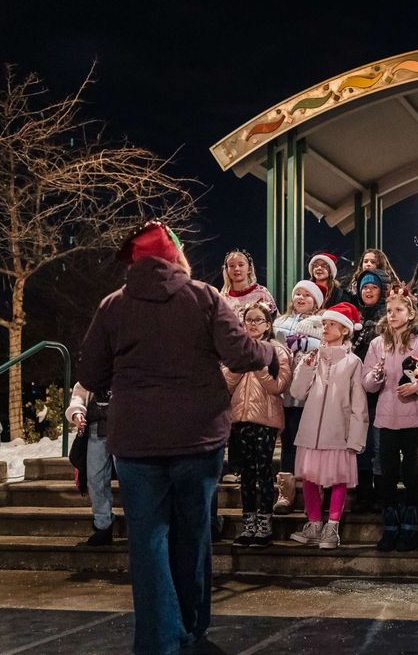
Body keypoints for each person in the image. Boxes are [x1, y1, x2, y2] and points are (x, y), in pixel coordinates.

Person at [77, 221, 278, 654]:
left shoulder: (113, 305)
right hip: (197, 439)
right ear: (175, 258)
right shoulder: (204, 297)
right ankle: (191, 625)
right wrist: (271, 351)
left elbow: (91, 373)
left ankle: (158, 638)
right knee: (193, 533)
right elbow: (241, 354)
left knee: (147, 541)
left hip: (137, 442)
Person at [362, 286, 418, 552]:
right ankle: (391, 524)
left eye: (398, 310)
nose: (392, 315)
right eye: (389, 310)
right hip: (386, 419)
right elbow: (366, 383)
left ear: (410, 313)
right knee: (387, 473)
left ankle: (412, 524)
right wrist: (375, 377)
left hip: (414, 418)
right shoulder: (377, 344)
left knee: (412, 473)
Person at [289, 302, 369, 550]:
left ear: (344, 330)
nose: (325, 328)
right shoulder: (313, 357)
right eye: (324, 324)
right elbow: (297, 392)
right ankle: (314, 523)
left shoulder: (353, 362)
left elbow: (359, 403)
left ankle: (332, 527)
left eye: (331, 324)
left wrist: (356, 437)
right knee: (309, 478)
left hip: (338, 431)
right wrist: (306, 366)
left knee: (338, 478)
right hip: (311, 431)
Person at [223, 302, 293, 548]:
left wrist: (259, 365)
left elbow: (279, 386)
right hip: (239, 419)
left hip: (265, 419)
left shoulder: (277, 350)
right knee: (245, 474)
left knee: (262, 472)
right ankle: (248, 523)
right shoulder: (237, 350)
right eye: (249, 320)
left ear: (268, 325)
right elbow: (225, 384)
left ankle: (264, 523)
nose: (252, 324)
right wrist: (241, 364)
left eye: (258, 320)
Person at [271, 279, 325, 514]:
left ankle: (314, 492)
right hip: (286, 394)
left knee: (312, 443)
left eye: (307, 295)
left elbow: (327, 346)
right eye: (298, 294)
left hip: (311, 395)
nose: (301, 298)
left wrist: (306, 343)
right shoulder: (280, 322)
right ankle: (286, 492)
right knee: (288, 441)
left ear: (316, 301)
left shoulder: (322, 322)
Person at [351, 268, 392, 512]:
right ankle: (363, 492)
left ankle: (381, 494)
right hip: (357, 392)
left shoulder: (386, 318)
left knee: (378, 443)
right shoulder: (353, 317)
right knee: (361, 443)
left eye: (373, 287)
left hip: (381, 392)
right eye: (364, 287)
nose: (368, 291)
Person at [65, 382, 115, 546]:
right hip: (96, 425)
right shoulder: (94, 369)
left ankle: (139, 526)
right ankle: (103, 525)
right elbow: (80, 391)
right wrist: (77, 413)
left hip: (124, 424)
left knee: (131, 477)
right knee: (95, 479)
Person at [221, 248, 277, 317]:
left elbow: (275, 320)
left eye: (241, 265)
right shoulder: (222, 299)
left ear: (249, 269)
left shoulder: (262, 294)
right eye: (232, 266)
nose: (236, 269)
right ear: (227, 270)